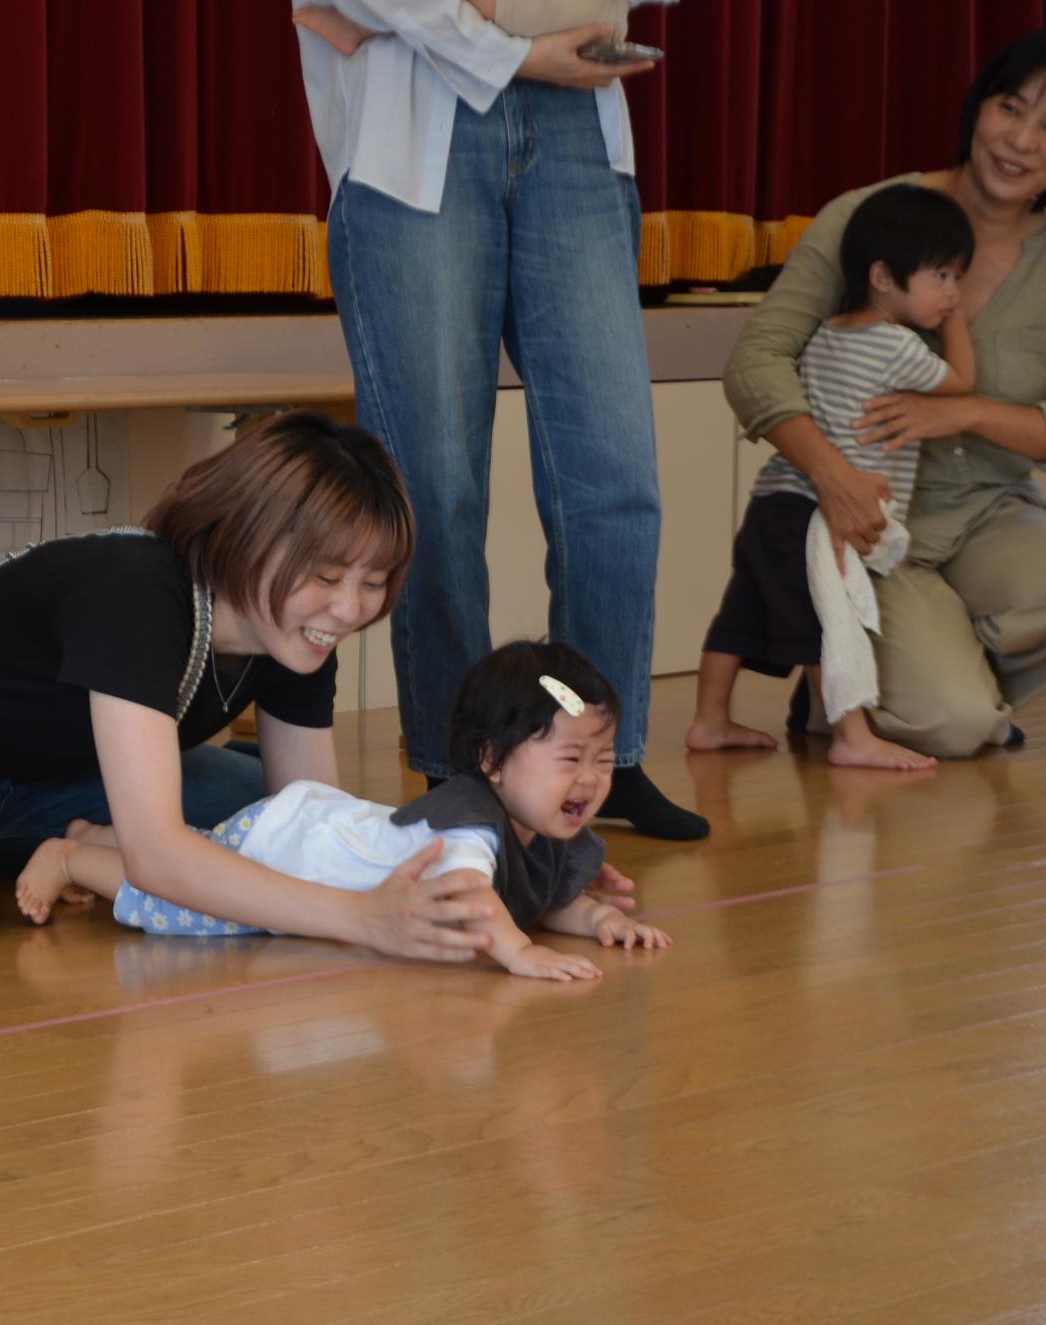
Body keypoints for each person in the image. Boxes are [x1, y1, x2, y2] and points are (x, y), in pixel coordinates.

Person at [0, 409, 533, 962]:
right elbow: (156, 853)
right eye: (327, 576)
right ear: (252, 536)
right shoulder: (139, 592)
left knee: (261, 819)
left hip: (43, 775)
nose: (348, 609)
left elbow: (314, 818)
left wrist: (526, 883)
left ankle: (57, 846)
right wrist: (362, 917)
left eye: (373, 583)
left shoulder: (297, 631)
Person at [293, 0, 709, 840]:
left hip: (579, 125)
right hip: (418, 114)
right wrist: (501, 50)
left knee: (614, 481)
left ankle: (603, 757)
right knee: (436, 486)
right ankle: (460, 770)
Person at [724, 30, 1046, 760]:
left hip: (996, 517)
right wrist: (830, 476)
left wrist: (964, 409)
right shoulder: (868, 214)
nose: (1022, 140)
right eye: (1010, 106)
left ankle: (925, 656)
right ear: (978, 106)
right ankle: (862, 678)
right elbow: (757, 359)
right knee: (957, 725)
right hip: (870, 527)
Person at [18, 640, 670, 982]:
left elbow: (546, 895)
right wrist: (520, 954)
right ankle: (72, 855)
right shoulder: (471, 815)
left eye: (603, 759)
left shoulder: (548, 828)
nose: (588, 779)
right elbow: (471, 892)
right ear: (492, 759)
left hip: (305, 824)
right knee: (180, 905)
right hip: (287, 846)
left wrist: (601, 918)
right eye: (569, 758)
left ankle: (96, 833)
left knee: (202, 843)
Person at [692, 184, 977, 770]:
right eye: (942, 277)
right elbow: (961, 383)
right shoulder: (897, 347)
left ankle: (709, 719)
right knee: (833, 620)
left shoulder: (824, 333)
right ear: (881, 276)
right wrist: (960, 325)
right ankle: (851, 734)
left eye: (957, 280)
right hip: (819, 511)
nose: (952, 293)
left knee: (740, 612)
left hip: (774, 499)